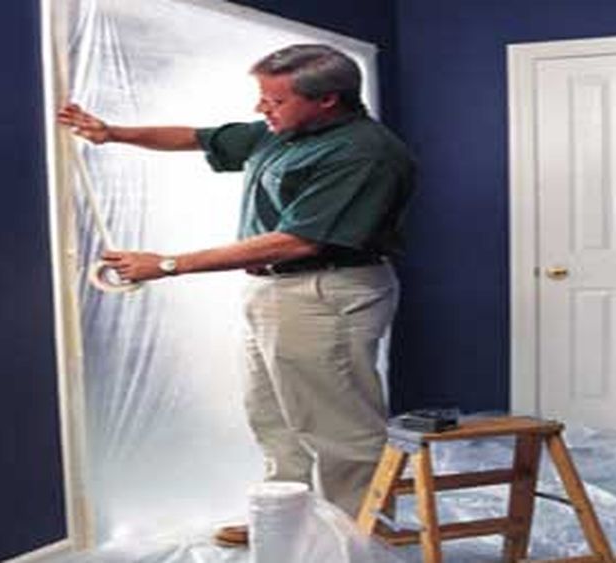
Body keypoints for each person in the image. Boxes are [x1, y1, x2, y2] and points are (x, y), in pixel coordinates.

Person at [58, 44, 416, 538]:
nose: (260, 109)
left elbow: (297, 241)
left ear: (328, 99)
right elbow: (197, 138)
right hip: (273, 294)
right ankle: (285, 521)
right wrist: (114, 133)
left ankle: (354, 541)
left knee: (340, 429)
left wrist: (167, 265)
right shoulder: (283, 132)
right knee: (272, 416)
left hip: (325, 292)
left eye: (273, 100)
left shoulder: (365, 153)